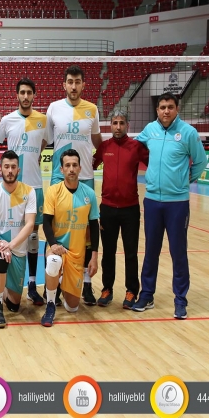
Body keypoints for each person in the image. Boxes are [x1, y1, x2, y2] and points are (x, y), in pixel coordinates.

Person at [132, 92, 206, 320]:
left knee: (178, 252)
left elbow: (200, 161)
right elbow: (135, 148)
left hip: (177, 203)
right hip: (153, 201)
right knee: (151, 251)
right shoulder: (150, 130)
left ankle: (180, 300)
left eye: (170, 107)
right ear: (157, 110)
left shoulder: (188, 132)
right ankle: (147, 295)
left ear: (177, 109)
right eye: (162, 107)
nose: (166, 111)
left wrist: (185, 181)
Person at [46, 65, 102, 306]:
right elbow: (46, 139)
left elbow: (98, 141)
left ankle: (86, 283)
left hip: (85, 177)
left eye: (78, 82)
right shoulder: (54, 108)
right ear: (64, 85)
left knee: (86, 233)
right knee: (56, 230)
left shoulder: (92, 109)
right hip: (58, 178)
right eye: (70, 81)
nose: (74, 86)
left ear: (83, 85)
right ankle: (55, 283)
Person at [0, 78, 48, 306]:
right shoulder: (7, 120)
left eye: (29, 93)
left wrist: (34, 157)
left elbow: (44, 142)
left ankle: (32, 284)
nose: (25, 96)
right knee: (7, 232)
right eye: (22, 93)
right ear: (17, 95)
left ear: (34, 95)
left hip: (34, 186)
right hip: (12, 188)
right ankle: (3, 279)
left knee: (33, 236)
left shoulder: (43, 120)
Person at [92, 109, 149, 309]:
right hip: (107, 209)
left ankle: (132, 290)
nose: (118, 127)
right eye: (115, 123)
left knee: (131, 253)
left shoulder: (136, 147)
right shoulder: (104, 147)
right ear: (110, 125)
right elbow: (91, 165)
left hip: (130, 209)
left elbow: (154, 164)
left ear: (127, 125)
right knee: (108, 253)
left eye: (121, 123)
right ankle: (107, 289)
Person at [41, 149, 100, 327]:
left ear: (80, 168)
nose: (71, 169)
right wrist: (53, 244)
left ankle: (61, 280)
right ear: (61, 169)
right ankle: (50, 305)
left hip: (76, 253)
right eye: (67, 165)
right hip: (57, 247)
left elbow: (94, 227)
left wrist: (94, 257)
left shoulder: (89, 194)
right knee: (53, 260)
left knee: (72, 307)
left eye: (75, 165)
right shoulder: (53, 191)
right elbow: (46, 223)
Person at [0, 150, 37, 328]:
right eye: (6, 167)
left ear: (18, 170)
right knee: (2, 259)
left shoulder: (29, 192)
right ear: (0, 169)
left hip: (17, 249)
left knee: (14, 305)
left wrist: (11, 245)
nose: (10, 170)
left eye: (13, 167)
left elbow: (30, 224)